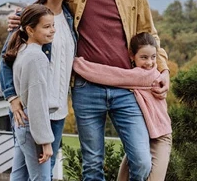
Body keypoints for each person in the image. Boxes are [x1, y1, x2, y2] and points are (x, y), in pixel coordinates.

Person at [8, 0, 171, 181]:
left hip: (125, 87)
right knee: (92, 164)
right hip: (86, 88)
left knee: (141, 158)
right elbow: (46, 7)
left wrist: (164, 70)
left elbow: (149, 33)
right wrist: (19, 17)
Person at [0, 0, 76, 180]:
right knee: (42, 173)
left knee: (23, 173)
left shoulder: (70, 17)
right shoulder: (29, 19)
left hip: (58, 109)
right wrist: (12, 98)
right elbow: (6, 61)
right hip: (33, 111)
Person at [72, 33, 172, 181]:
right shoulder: (136, 74)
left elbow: (110, 75)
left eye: (153, 57)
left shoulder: (149, 76)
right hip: (146, 132)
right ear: (132, 56)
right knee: (134, 164)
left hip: (160, 136)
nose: (150, 63)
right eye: (144, 57)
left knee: (145, 168)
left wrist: (78, 64)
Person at [3, 4, 58, 181]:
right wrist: (45, 142)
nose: (52, 31)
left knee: (18, 176)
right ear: (30, 29)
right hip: (32, 125)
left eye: (53, 25)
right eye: (46, 26)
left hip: (23, 124)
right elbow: (37, 102)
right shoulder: (37, 57)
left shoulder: (23, 50)